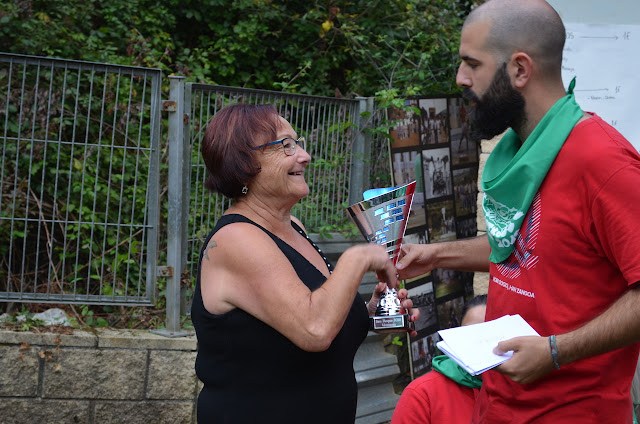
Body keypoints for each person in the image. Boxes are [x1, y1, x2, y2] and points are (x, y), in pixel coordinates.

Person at [395, 0, 640, 422]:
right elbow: (525, 247)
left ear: (520, 70)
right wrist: (433, 256)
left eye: (472, 64)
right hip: (500, 407)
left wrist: (554, 351)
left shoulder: (604, 162)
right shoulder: (519, 151)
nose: (461, 78)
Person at [191, 103, 419, 424]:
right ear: (244, 161)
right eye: (286, 145)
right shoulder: (236, 239)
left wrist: (372, 314)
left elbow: (316, 315)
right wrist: (357, 258)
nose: (304, 155)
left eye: (297, 142)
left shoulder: (294, 227)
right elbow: (314, 330)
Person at [391, 295, 487, 424]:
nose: (480, 344)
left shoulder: (522, 388)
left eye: (490, 335)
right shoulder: (423, 394)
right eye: (469, 333)